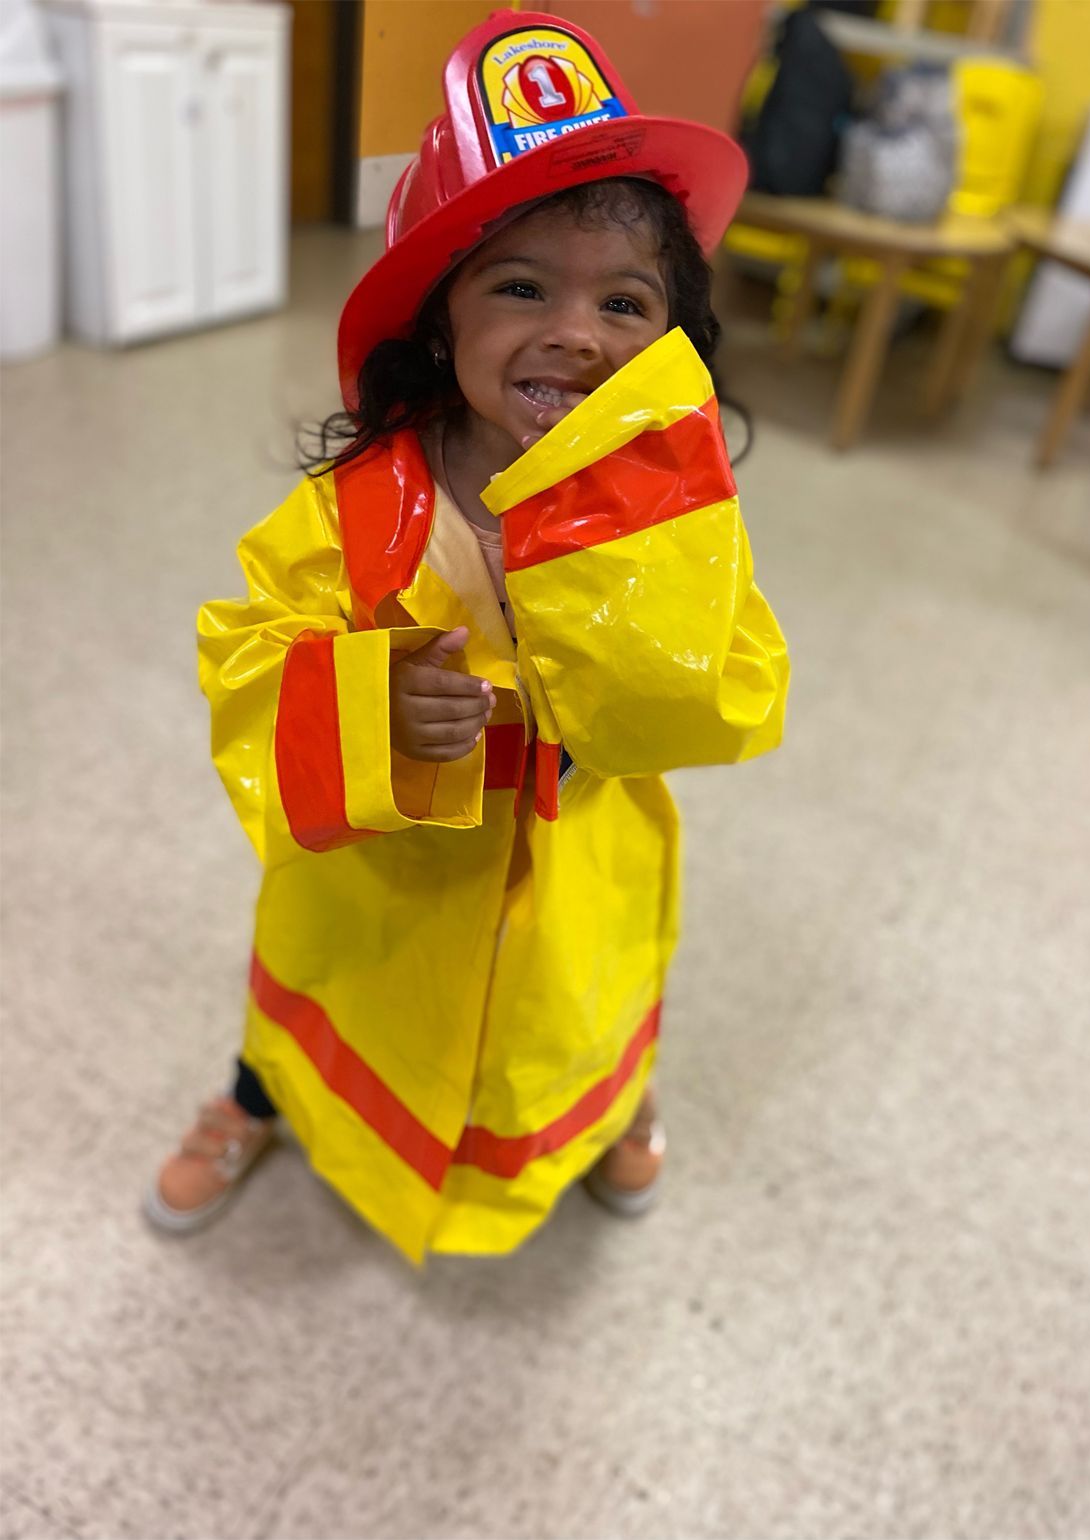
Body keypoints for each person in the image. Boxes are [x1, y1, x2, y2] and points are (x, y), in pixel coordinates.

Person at [145, 9, 790, 1265]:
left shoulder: (674, 512)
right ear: (442, 320)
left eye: (625, 300)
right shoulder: (358, 509)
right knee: (323, 996)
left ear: (668, 342)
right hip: (384, 875)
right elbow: (248, 657)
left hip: (577, 858)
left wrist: (642, 661)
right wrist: (364, 706)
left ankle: (611, 1105)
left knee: (577, 1016)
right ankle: (260, 1095)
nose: (579, 333)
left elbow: (745, 682)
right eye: (522, 287)